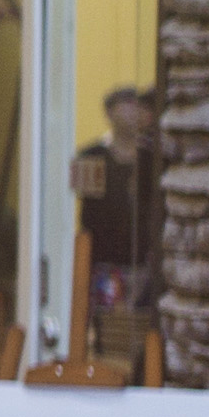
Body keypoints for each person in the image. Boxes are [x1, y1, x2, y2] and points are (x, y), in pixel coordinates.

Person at [73, 82, 165, 338]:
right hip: (102, 265)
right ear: (110, 112)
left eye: (135, 105)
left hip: (141, 265)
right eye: (123, 105)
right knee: (104, 333)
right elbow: (80, 210)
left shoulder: (152, 159)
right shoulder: (89, 156)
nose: (130, 112)